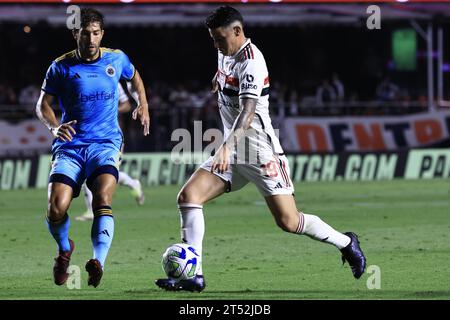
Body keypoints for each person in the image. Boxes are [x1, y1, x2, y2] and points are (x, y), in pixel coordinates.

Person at [155, 6, 366, 292]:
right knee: (189, 196)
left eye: (219, 39)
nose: (215, 45)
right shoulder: (225, 53)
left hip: (259, 152)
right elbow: (224, 77)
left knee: (288, 221)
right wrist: (217, 83)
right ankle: (194, 275)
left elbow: (248, 112)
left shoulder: (253, 62)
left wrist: (226, 148)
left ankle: (346, 242)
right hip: (232, 152)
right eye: (213, 39)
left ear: (237, 32)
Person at [35, 8, 150, 288]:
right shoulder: (60, 67)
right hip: (71, 146)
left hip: (105, 143)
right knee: (56, 208)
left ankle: (98, 261)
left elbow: (135, 78)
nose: (91, 38)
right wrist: (53, 128)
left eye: (96, 32)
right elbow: (42, 104)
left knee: (102, 199)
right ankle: (64, 250)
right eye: (85, 33)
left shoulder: (116, 58)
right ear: (75, 33)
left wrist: (143, 103)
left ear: (102, 34)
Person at [76, 83, 145, 222]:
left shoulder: (112, 81)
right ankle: (91, 210)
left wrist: (109, 111)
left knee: (105, 172)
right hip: (88, 134)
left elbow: (126, 105)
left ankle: (132, 184)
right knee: (89, 172)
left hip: (110, 136)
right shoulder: (82, 79)